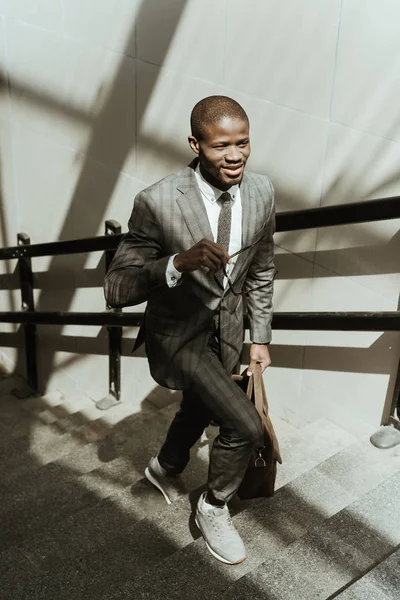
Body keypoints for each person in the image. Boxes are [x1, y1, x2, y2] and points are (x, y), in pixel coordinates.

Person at [104, 95, 275, 565]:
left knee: (201, 405)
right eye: (222, 146)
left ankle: (164, 468)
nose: (235, 155)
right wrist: (176, 263)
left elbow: (261, 268)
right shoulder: (157, 201)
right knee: (244, 423)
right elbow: (116, 288)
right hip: (178, 335)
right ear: (196, 144)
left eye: (243, 143)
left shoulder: (261, 192)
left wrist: (259, 336)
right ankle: (213, 506)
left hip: (229, 331)